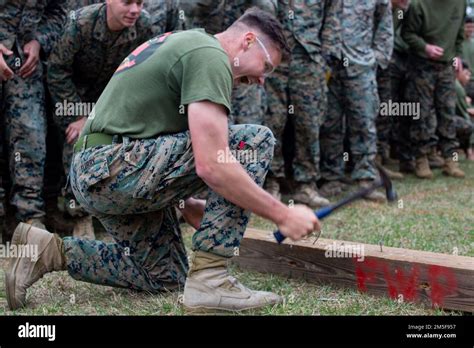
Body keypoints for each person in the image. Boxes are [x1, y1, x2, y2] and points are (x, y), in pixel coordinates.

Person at [6, 7, 321, 313]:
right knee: (252, 141)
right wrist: (282, 214)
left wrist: (184, 203)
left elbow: (156, 137)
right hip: (109, 166)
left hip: (101, 171)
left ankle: (49, 252)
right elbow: (211, 163)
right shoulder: (209, 54)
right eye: (265, 67)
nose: (262, 80)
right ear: (248, 41)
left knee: (164, 276)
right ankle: (211, 278)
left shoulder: (188, 44)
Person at [47, 0, 153, 239]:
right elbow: (57, 70)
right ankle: (79, 217)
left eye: (140, 2)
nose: (135, 10)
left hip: (114, 99)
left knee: (129, 144)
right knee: (79, 142)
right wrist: (79, 115)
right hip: (75, 97)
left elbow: (146, 70)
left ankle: (118, 213)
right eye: (127, 2)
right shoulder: (81, 23)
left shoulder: (144, 25)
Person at [263, 0, 340, 207]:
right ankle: (272, 182)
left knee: (308, 123)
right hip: (273, 60)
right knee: (273, 121)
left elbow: (332, 21)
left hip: (309, 60)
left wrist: (324, 57)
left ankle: (306, 184)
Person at [0, 0, 67, 229]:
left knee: (31, 138)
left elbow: (58, 12)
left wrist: (39, 40)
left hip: (25, 66)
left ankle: (29, 218)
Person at [319, 0, 393, 201]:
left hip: (360, 66)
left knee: (363, 122)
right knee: (329, 123)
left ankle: (365, 179)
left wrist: (376, 57)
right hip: (330, 64)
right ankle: (332, 177)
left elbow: (385, 24)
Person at [402, 0, 466, 178]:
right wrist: (425, 47)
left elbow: (459, 35)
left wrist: (457, 57)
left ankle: (450, 160)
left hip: (446, 67)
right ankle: (421, 159)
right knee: (422, 112)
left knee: (447, 111)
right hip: (422, 65)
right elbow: (407, 33)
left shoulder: (460, 3)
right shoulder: (418, 5)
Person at [454, 62, 474, 160]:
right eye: (466, 74)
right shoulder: (457, 87)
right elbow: (464, 114)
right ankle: (468, 152)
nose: (468, 78)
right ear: (459, 72)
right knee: (467, 124)